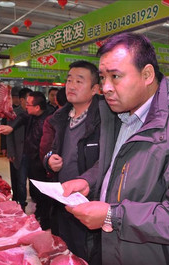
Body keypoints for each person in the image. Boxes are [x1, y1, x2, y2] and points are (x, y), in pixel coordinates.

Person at [61, 33, 169, 265]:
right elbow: (119, 165)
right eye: (103, 77)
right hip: (114, 250)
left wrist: (113, 215)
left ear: (147, 75)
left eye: (115, 77)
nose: (106, 88)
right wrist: (89, 182)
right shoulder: (120, 115)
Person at [43, 61, 101, 264]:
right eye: (69, 80)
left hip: (88, 204)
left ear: (95, 89)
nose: (71, 85)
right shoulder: (60, 118)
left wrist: (86, 182)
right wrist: (49, 159)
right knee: (64, 252)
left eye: (79, 81)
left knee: (84, 255)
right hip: (61, 202)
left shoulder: (104, 120)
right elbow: (49, 150)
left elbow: (107, 162)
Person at [0, 91, 53, 229]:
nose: (25, 106)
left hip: (43, 164)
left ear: (37, 107)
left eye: (28, 104)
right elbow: (21, 117)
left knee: (44, 194)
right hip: (32, 162)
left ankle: (46, 222)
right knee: (35, 191)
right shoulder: (31, 115)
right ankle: (39, 215)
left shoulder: (49, 120)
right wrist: (11, 127)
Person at [6, 87, 32, 211]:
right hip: (19, 151)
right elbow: (8, 134)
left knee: (31, 180)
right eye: (28, 99)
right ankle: (21, 204)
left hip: (32, 153)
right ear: (22, 100)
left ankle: (27, 200)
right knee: (20, 181)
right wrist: (10, 151)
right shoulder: (13, 113)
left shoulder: (34, 112)